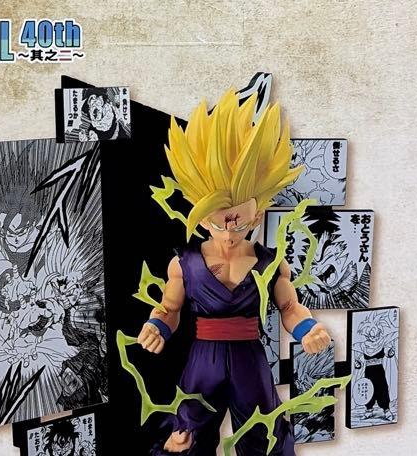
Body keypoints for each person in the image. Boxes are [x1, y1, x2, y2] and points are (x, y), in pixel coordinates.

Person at [136, 90, 332, 454]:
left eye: (238, 222)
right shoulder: (184, 262)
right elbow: (170, 307)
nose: (228, 232)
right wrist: (156, 326)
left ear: (257, 216)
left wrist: (308, 328)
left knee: (264, 437)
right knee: (184, 438)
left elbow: (290, 307)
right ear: (200, 214)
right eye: (218, 220)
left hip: (248, 359)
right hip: (202, 360)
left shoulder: (271, 263)